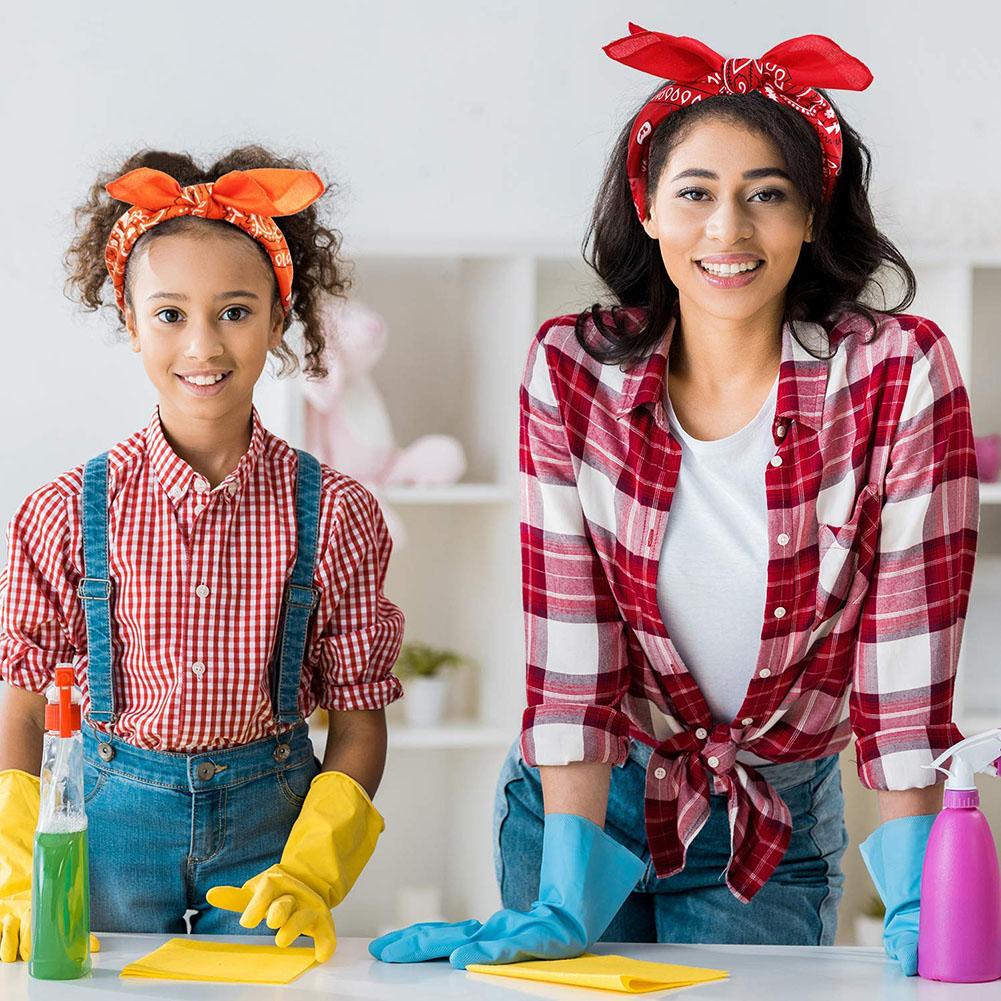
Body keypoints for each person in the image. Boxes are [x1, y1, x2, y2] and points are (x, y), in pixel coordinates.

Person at [370, 27, 979, 973]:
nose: (726, 231)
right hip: (583, 808)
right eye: (694, 193)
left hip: (767, 827)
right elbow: (570, 645)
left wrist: (913, 891)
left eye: (764, 196)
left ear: (811, 215)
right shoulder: (571, 369)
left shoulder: (898, 372)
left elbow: (906, 663)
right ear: (649, 209)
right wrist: (566, 894)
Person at [0, 147, 405, 964]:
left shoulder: (339, 513)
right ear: (130, 320)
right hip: (103, 835)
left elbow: (359, 723)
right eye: (170, 314)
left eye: (234, 311)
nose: (203, 345)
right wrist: (17, 871)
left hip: (270, 839)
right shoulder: (57, 513)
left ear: (278, 317)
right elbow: (20, 708)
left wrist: (311, 870)